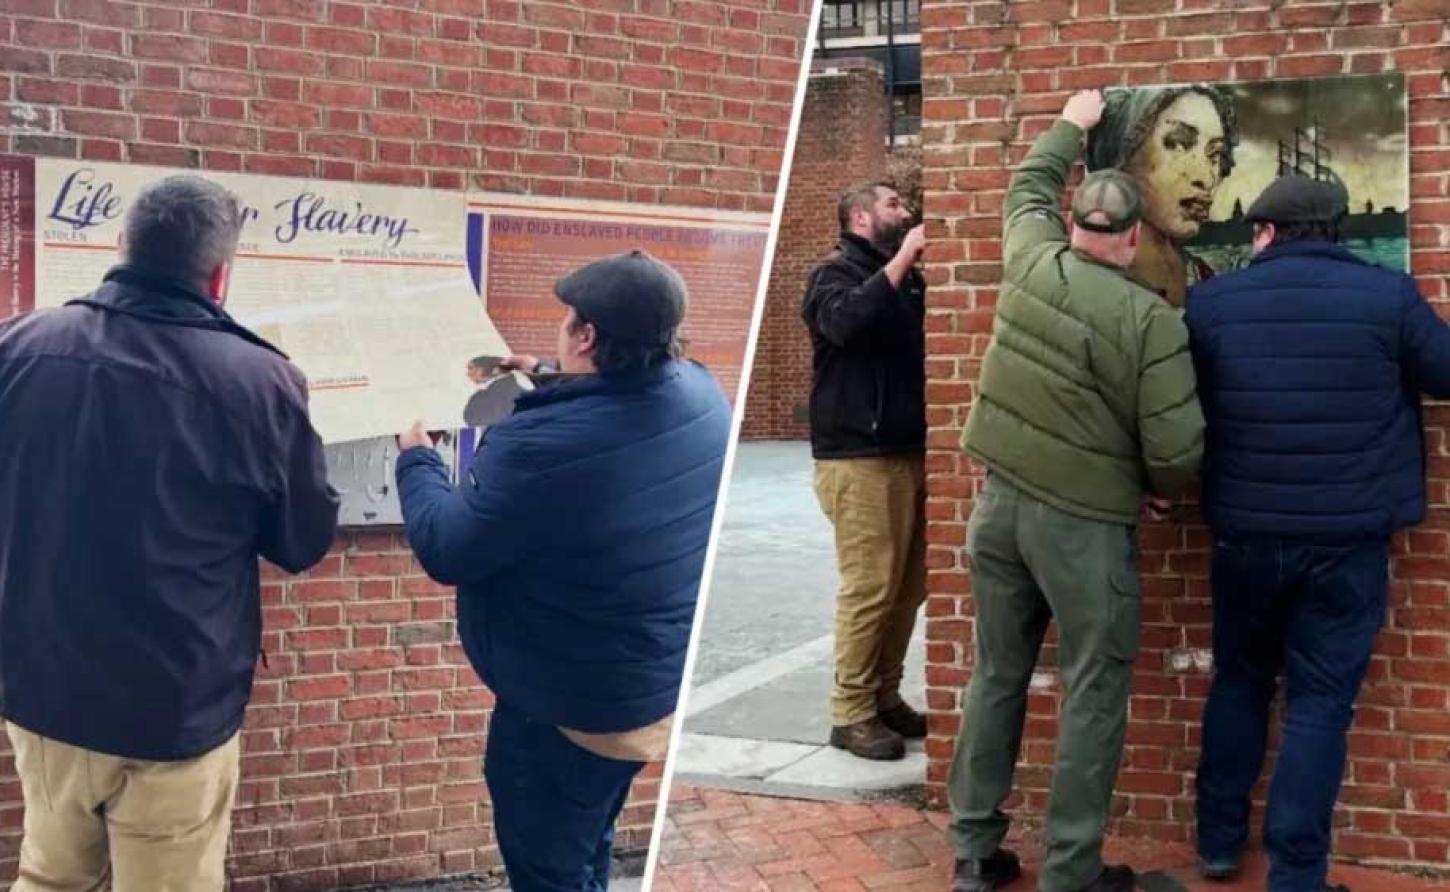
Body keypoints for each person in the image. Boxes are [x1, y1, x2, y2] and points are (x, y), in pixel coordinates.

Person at [0, 175, 339, 892]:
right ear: (219, 277)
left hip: (44, 687)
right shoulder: (262, 382)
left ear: (121, 245)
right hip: (175, 703)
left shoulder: (19, 346)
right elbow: (301, 543)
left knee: (49, 878)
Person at [395, 250, 731, 892]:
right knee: (588, 840)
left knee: (548, 869)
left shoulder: (538, 447)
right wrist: (547, 377)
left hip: (565, 708)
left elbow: (447, 549)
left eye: (567, 319)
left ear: (587, 336)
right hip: (642, 691)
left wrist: (416, 461)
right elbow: (618, 411)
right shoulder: (701, 393)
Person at [948, 90, 1205, 892]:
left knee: (997, 675)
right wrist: (1157, 489)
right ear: (1131, 238)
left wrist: (1070, 123)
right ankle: (1072, 871)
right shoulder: (1152, 322)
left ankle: (974, 853)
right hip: (1084, 529)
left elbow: (1027, 187)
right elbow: (1178, 450)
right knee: (1093, 689)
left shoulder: (1030, 257)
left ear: (1073, 225)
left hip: (998, 511)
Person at [1186, 175, 1450, 892]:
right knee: (1320, 704)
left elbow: (1178, 407)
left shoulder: (1211, 303)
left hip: (1244, 532)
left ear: (1266, 232)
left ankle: (1218, 841)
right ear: (1336, 231)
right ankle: (1297, 876)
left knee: (1239, 682)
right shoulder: (1387, 296)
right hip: (1347, 536)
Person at [801, 180, 929, 762]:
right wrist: (904, 260)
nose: (906, 211)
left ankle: (883, 695)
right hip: (857, 458)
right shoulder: (831, 274)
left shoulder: (904, 278)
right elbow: (844, 324)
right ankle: (849, 712)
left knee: (909, 587)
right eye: (893, 204)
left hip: (908, 449)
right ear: (860, 217)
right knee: (871, 587)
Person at [1086, 84, 1238, 307]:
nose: (1206, 178)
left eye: (1215, 155)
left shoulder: (1203, 275)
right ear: (1121, 155)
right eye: (1178, 144)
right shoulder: (1091, 281)